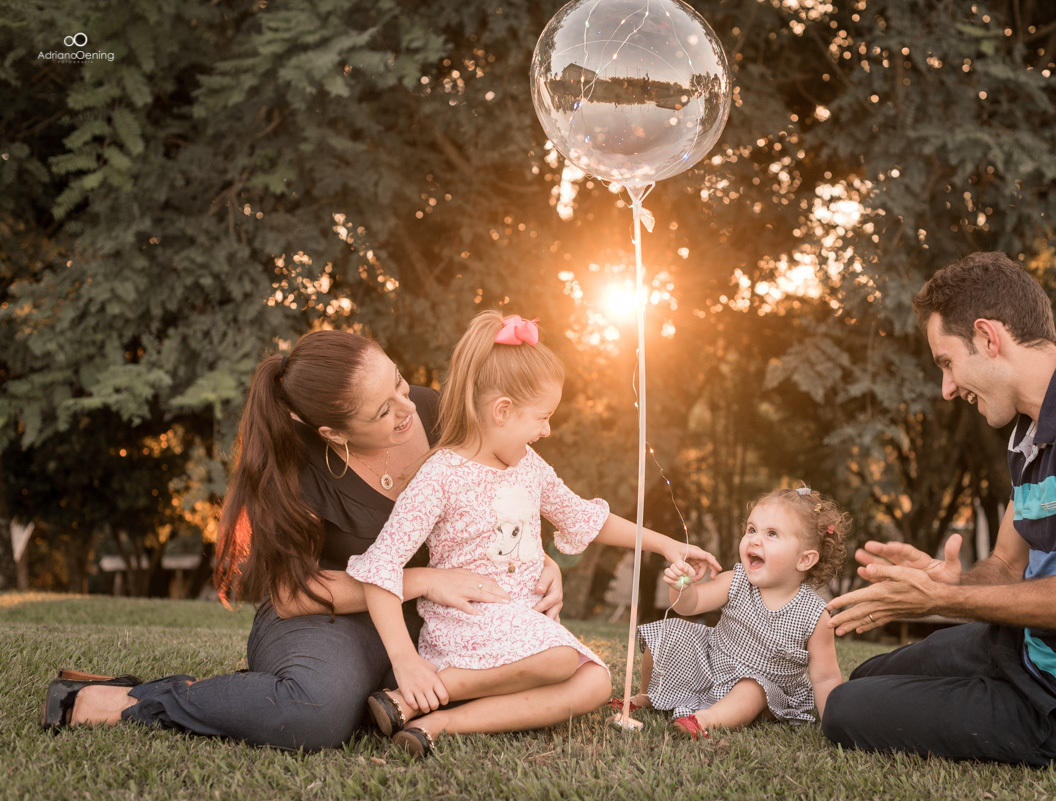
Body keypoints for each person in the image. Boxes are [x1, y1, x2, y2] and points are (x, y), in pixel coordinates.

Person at [40, 329, 568, 750]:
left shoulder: (437, 411)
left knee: (538, 672)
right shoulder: (291, 474)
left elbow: (507, 490)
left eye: (400, 384)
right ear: (334, 433)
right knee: (316, 713)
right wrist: (424, 580)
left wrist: (537, 559)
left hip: (429, 610)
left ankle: (281, 693)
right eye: (382, 411)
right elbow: (292, 596)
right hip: (323, 615)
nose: (408, 409)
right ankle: (133, 699)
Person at [822, 252, 1056, 768]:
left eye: (947, 362)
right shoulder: (1029, 433)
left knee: (843, 711)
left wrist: (938, 604)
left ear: (989, 338)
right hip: (1030, 650)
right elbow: (1006, 566)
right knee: (868, 676)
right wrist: (947, 585)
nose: (947, 388)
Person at [345, 311, 723, 756]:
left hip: (521, 624)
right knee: (563, 658)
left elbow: (585, 517)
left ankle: (439, 720)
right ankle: (427, 688)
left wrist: (666, 543)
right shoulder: (441, 475)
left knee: (595, 682)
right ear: (502, 411)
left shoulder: (529, 467)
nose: (547, 429)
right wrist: (405, 661)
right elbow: (381, 568)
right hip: (468, 625)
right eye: (542, 417)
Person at [626, 487, 847, 739]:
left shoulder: (814, 614)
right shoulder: (737, 580)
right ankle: (647, 696)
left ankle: (705, 720)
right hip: (712, 666)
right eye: (751, 529)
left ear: (804, 560)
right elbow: (690, 605)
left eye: (772, 534)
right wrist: (683, 589)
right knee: (670, 632)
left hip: (765, 689)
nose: (754, 539)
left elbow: (825, 676)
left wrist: (834, 722)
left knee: (752, 688)